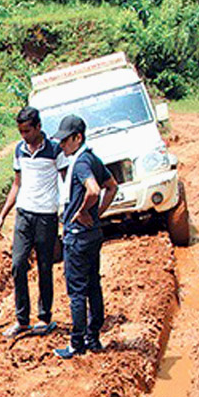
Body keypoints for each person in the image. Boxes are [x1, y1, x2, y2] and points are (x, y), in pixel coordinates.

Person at [0, 106, 66, 338]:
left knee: (45, 266)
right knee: (18, 264)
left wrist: (65, 209)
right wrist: (3, 214)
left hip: (46, 215)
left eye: (27, 131)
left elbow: (65, 180)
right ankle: (22, 320)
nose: (24, 136)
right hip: (24, 214)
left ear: (38, 127)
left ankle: (44, 318)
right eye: (21, 131)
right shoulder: (19, 150)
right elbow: (17, 184)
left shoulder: (55, 149)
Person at [51, 114, 118, 359]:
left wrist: (82, 213)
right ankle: (93, 337)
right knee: (92, 285)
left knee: (77, 290)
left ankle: (77, 343)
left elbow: (95, 189)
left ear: (77, 138)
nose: (61, 145)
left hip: (77, 236)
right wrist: (97, 213)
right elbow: (113, 185)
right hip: (92, 235)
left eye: (65, 140)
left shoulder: (80, 164)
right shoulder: (92, 158)